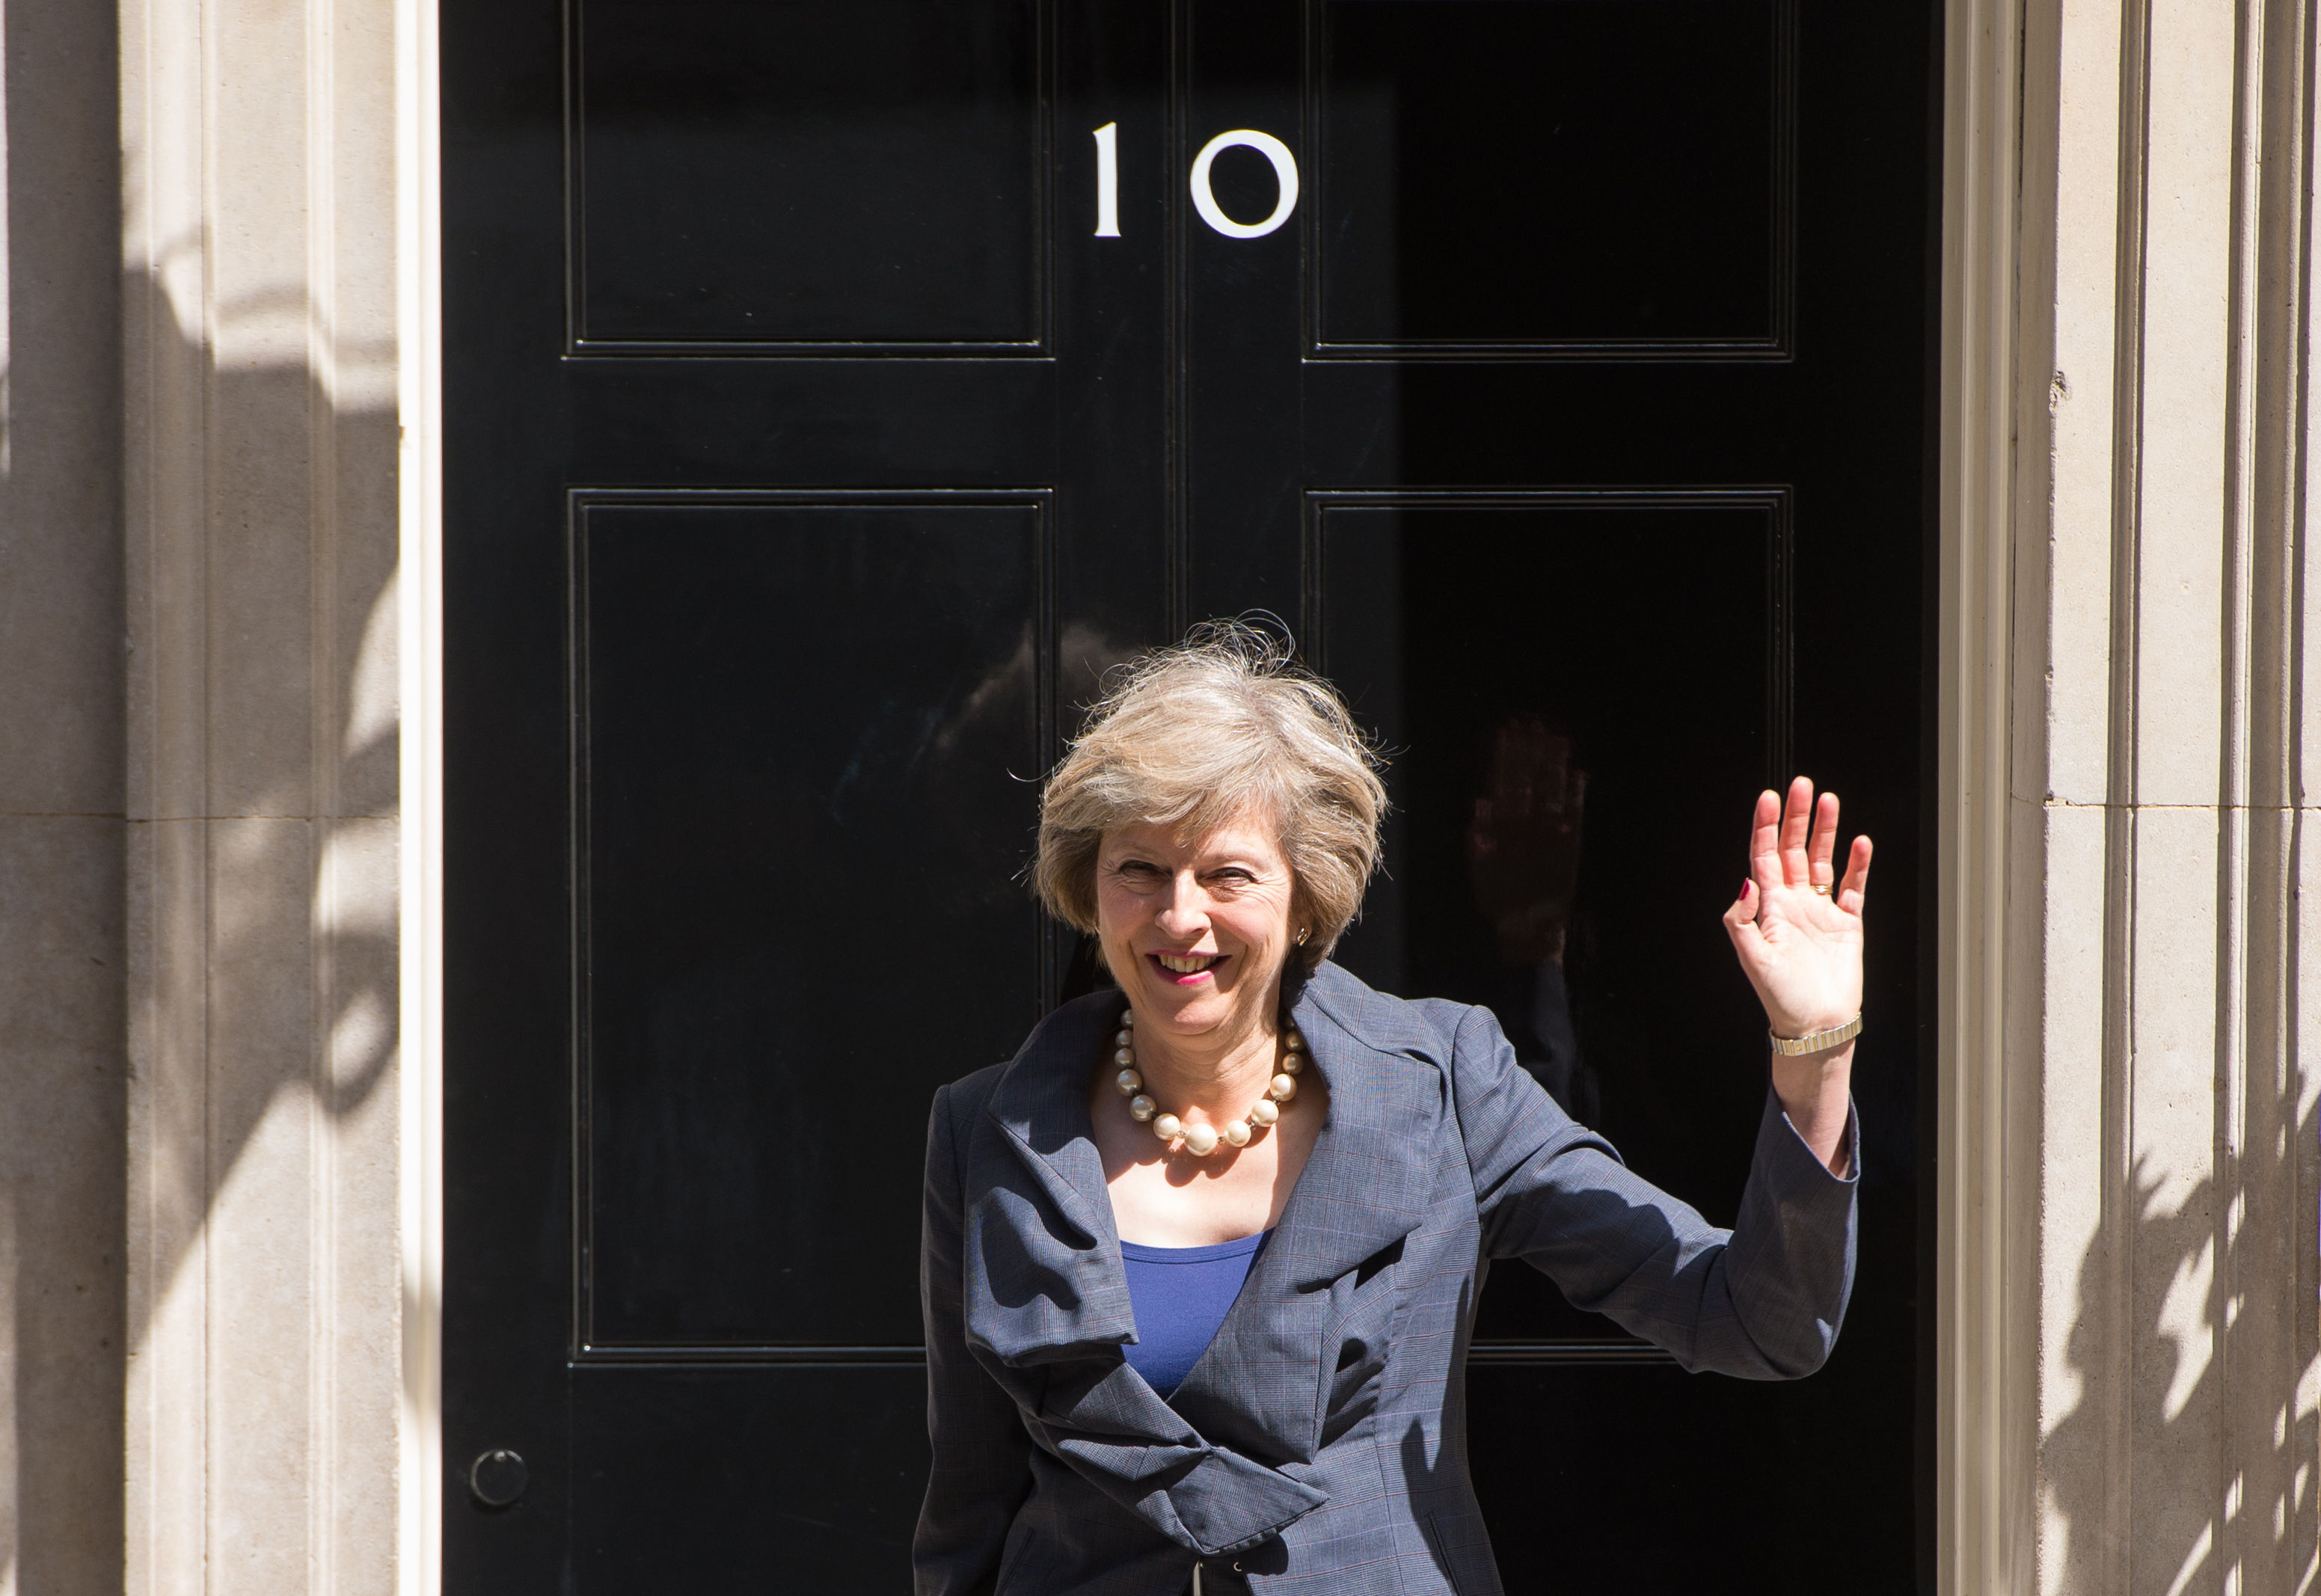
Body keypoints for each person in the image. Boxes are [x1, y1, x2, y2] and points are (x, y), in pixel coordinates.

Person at [916, 622, 1871, 1596]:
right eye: (1140, 868)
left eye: (1227, 873)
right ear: (1089, 882)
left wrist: (1816, 1053)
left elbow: (1761, 1321)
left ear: (1305, 894)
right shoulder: (990, 1130)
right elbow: (970, 1510)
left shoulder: (1445, 1084)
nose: (1179, 916)